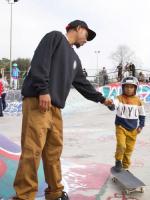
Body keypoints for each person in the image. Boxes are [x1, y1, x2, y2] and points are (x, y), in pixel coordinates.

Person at [13, 20, 113, 200]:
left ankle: (55, 193)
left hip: (56, 108)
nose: (87, 40)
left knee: (53, 151)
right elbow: (39, 62)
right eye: (86, 35)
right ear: (78, 28)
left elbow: (83, 85)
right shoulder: (55, 38)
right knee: (33, 150)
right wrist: (43, 90)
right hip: (38, 101)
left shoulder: (75, 59)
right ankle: (24, 195)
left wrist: (102, 99)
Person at [108, 76, 145, 172]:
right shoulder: (119, 98)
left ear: (135, 88)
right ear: (123, 88)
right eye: (127, 87)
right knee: (121, 145)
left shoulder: (138, 101)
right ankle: (118, 161)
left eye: (131, 87)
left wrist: (141, 126)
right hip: (121, 127)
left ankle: (125, 166)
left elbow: (142, 114)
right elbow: (114, 105)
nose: (129, 89)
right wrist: (110, 105)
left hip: (133, 129)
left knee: (129, 149)